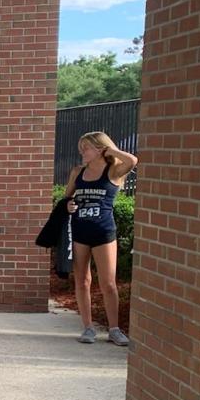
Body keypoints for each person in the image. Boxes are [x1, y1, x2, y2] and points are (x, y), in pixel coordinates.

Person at [62, 131, 137, 345]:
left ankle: (114, 329)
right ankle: (88, 328)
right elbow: (66, 198)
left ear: (99, 148)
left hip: (104, 232)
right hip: (79, 232)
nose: (81, 152)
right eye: (81, 148)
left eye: (86, 148)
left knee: (108, 283)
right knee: (83, 281)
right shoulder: (78, 172)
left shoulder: (113, 170)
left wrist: (111, 151)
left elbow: (132, 160)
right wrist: (67, 205)